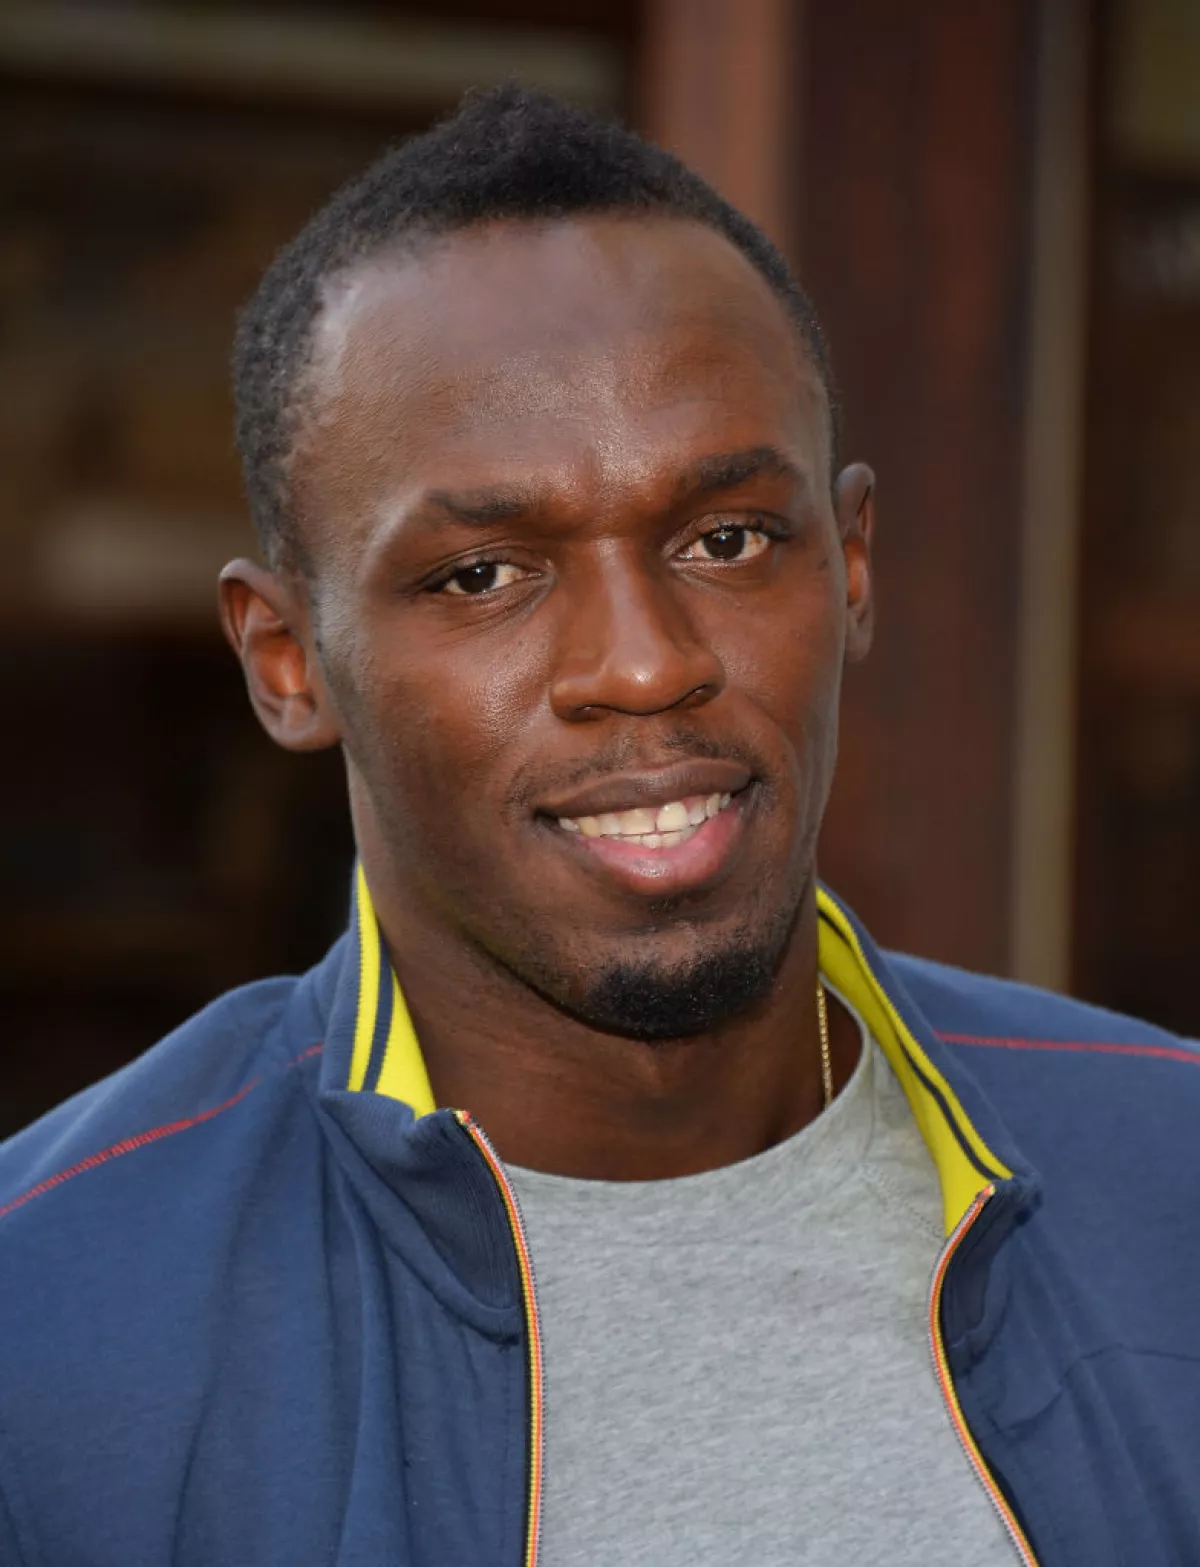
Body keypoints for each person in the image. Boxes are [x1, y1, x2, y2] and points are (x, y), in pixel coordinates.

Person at [1, 84, 1197, 1567]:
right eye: (484, 575)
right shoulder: (48, 1331)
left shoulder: (1176, 1178)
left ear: (852, 571)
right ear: (289, 661)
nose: (642, 663)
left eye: (727, 539)